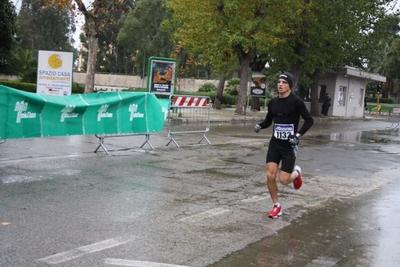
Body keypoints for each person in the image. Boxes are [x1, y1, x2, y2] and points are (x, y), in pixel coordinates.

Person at [254, 72, 314, 218]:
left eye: (284, 82)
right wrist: (260, 126)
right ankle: (277, 206)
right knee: (270, 175)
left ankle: (296, 173)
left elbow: (309, 120)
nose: (280, 84)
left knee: (284, 180)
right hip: (275, 143)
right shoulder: (273, 102)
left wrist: (297, 135)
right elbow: (269, 121)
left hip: (289, 146)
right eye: (279, 82)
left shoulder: (296, 102)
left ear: (290, 86)